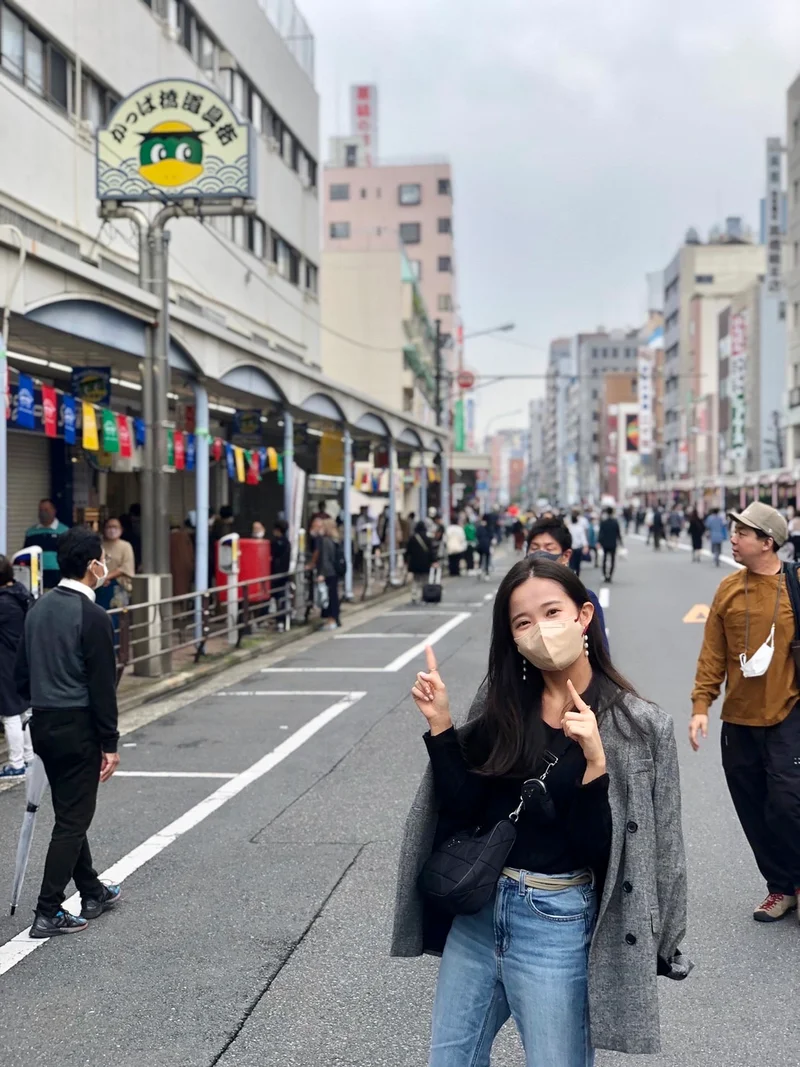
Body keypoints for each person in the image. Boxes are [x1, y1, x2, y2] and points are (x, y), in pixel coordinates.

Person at [392, 556, 688, 1062]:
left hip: (558, 924)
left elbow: (639, 850)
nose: (540, 630)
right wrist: (441, 725)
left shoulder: (639, 727)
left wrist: (595, 762)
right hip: (479, 916)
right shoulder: (503, 703)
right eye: (523, 622)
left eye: (552, 612)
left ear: (584, 616)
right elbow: (467, 809)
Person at [689, 502, 800, 924]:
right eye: (733, 531)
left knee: (788, 804)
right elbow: (713, 654)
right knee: (752, 807)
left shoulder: (796, 585)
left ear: (767, 542)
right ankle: (779, 888)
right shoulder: (728, 589)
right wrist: (701, 706)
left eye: (742, 532)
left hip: (788, 713)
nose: (732, 538)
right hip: (738, 719)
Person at [14, 527, 120, 937]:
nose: (104, 565)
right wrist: (110, 742)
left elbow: (21, 674)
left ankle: (92, 890)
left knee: (70, 812)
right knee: (74, 820)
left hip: (43, 722)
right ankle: (48, 909)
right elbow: (101, 686)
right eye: (102, 559)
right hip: (78, 726)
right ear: (93, 565)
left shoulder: (37, 609)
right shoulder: (91, 616)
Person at [527, 517, 608, 649]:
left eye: (549, 548)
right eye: (535, 548)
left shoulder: (583, 598)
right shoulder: (517, 599)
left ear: (566, 556)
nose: (540, 554)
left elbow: (601, 653)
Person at [0, 555, 34, 777]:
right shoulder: (21, 593)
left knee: (9, 713)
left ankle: (16, 763)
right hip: (23, 658)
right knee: (24, 712)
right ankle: (29, 757)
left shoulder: (3, 602)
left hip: (6, 661)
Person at [24, 499, 69, 590]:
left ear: (54, 510)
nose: (43, 513)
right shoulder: (31, 533)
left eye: (46, 510)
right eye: (40, 510)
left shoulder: (64, 531)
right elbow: (26, 555)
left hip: (57, 577)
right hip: (36, 576)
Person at [95, 517, 135, 616]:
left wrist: (107, 577)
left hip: (118, 585)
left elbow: (126, 567)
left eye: (115, 527)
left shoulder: (125, 546)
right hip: (100, 586)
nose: (112, 529)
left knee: (117, 617)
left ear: (121, 529)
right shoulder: (99, 545)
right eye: (109, 527)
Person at [316, 518, 341, 631]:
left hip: (328, 572)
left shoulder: (325, 541)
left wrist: (321, 574)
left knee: (329, 598)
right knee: (334, 596)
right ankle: (335, 619)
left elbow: (325, 559)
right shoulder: (335, 539)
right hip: (334, 572)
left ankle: (331, 620)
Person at [270, 519, 291, 630]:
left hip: (274, 574)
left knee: (272, 597)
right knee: (281, 599)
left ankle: (273, 620)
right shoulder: (287, 543)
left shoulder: (275, 543)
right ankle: (281, 621)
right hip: (284, 574)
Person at [407, 521, 435, 603]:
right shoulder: (427, 538)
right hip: (425, 563)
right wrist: (434, 560)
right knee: (425, 580)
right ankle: (424, 595)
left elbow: (408, 551)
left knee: (416, 579)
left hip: (415, 563)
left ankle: (414, 595)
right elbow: (431, 551)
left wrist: (406, 561)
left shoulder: (412, 538)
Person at [598, 507, 623, 583]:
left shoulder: (603, 522)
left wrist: (599, 542)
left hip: (605, 544)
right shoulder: (615, 522)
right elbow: (618, 534)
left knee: (604, 559)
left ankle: (605, 575)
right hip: (613, 544)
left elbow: (600, 533)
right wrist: (621, 542)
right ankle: (610, 576)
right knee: (612, 560)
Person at [567, 511, 587, 576]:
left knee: (571, 564)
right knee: (578, 564)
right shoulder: (580, 528)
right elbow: (583, 538)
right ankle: (577, 576)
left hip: (571, 548)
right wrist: (585, 546)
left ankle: (572, 577)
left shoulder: (569, 528)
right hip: (578, 548)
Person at [475, 515, 493, 580]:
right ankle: (486, 573)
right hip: (487, 545)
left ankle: (479, 570)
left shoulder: (479, 527)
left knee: (480, 558)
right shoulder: (489, 527)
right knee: (487, 560)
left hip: (480, 545)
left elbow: (477, 535)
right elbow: (491, 536)